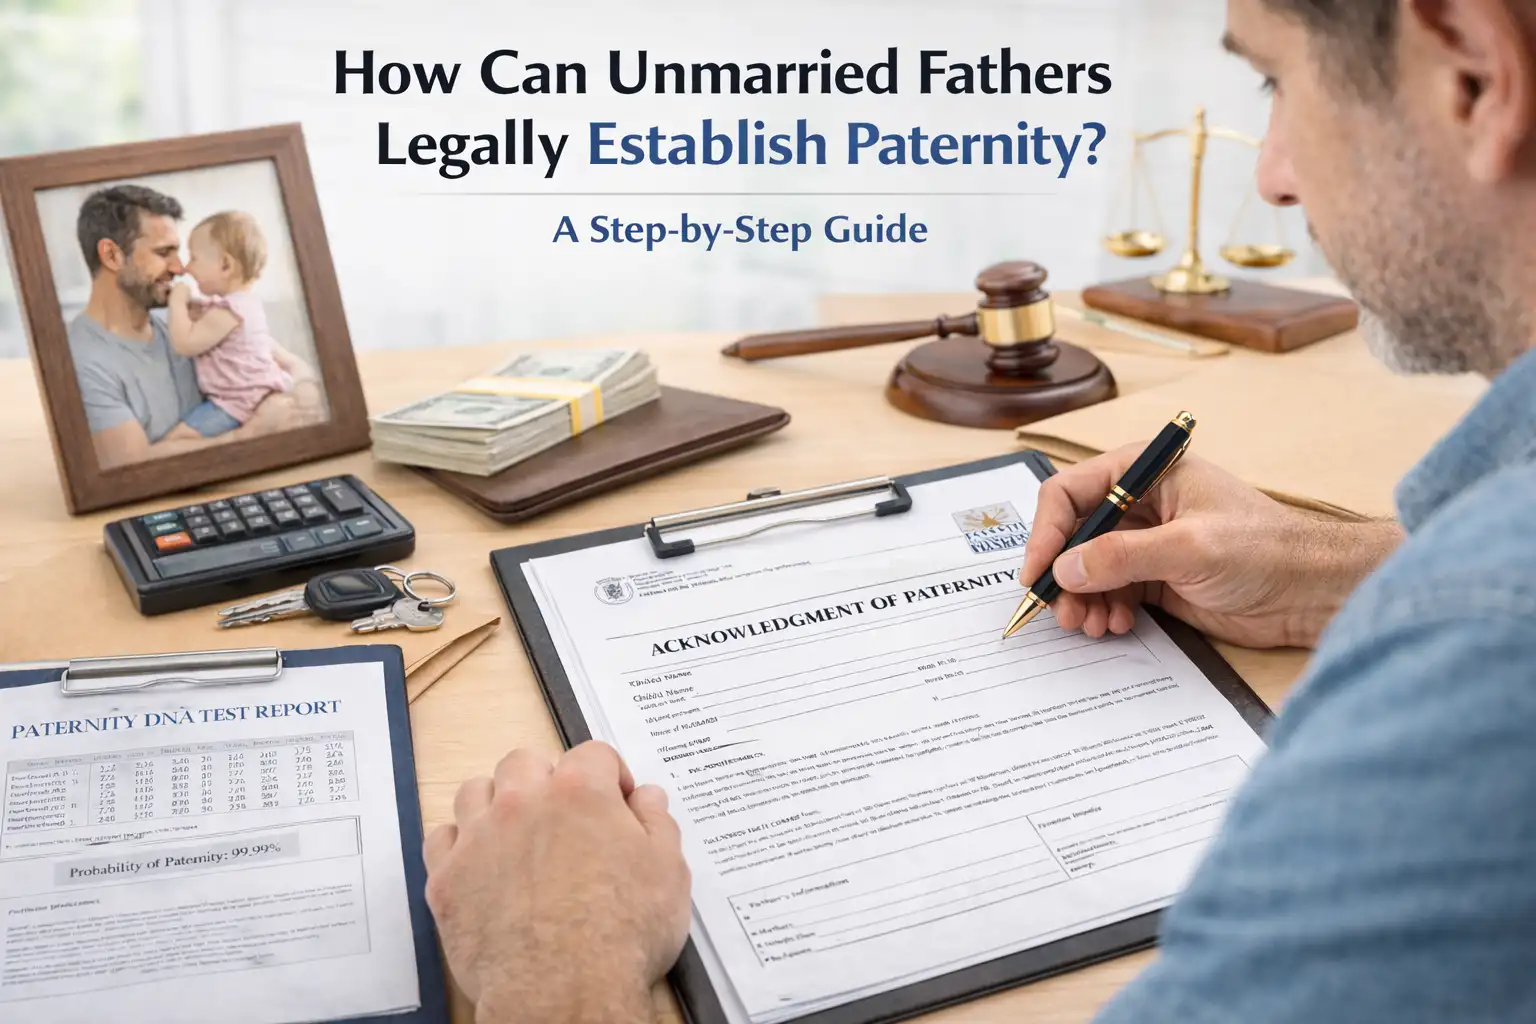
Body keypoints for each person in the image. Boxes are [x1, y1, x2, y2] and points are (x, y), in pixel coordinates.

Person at [421, 1, 1536, 1021]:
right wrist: (1332, 569)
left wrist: (555, 964)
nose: (1277, 178)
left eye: (1275, 85)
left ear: (1475, 76)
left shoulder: (1480, 666)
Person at [67, 184, 318, 469]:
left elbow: (276, 360)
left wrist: (290, 397)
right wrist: (250, 434)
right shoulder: (82, 361)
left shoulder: (180, 319)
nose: (180, 268)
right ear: (112, 255)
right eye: (164, 253)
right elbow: (132, 466)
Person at [164, 211, 293, 439]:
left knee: (177, 440)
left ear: (225, 265)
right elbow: (209, 320)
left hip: (238, 402)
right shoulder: (242, 305)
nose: (187, 268)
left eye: (194, 258)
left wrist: (176, 303)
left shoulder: (228, 312)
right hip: (253, 394)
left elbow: (184, 344)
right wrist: (192, 308)